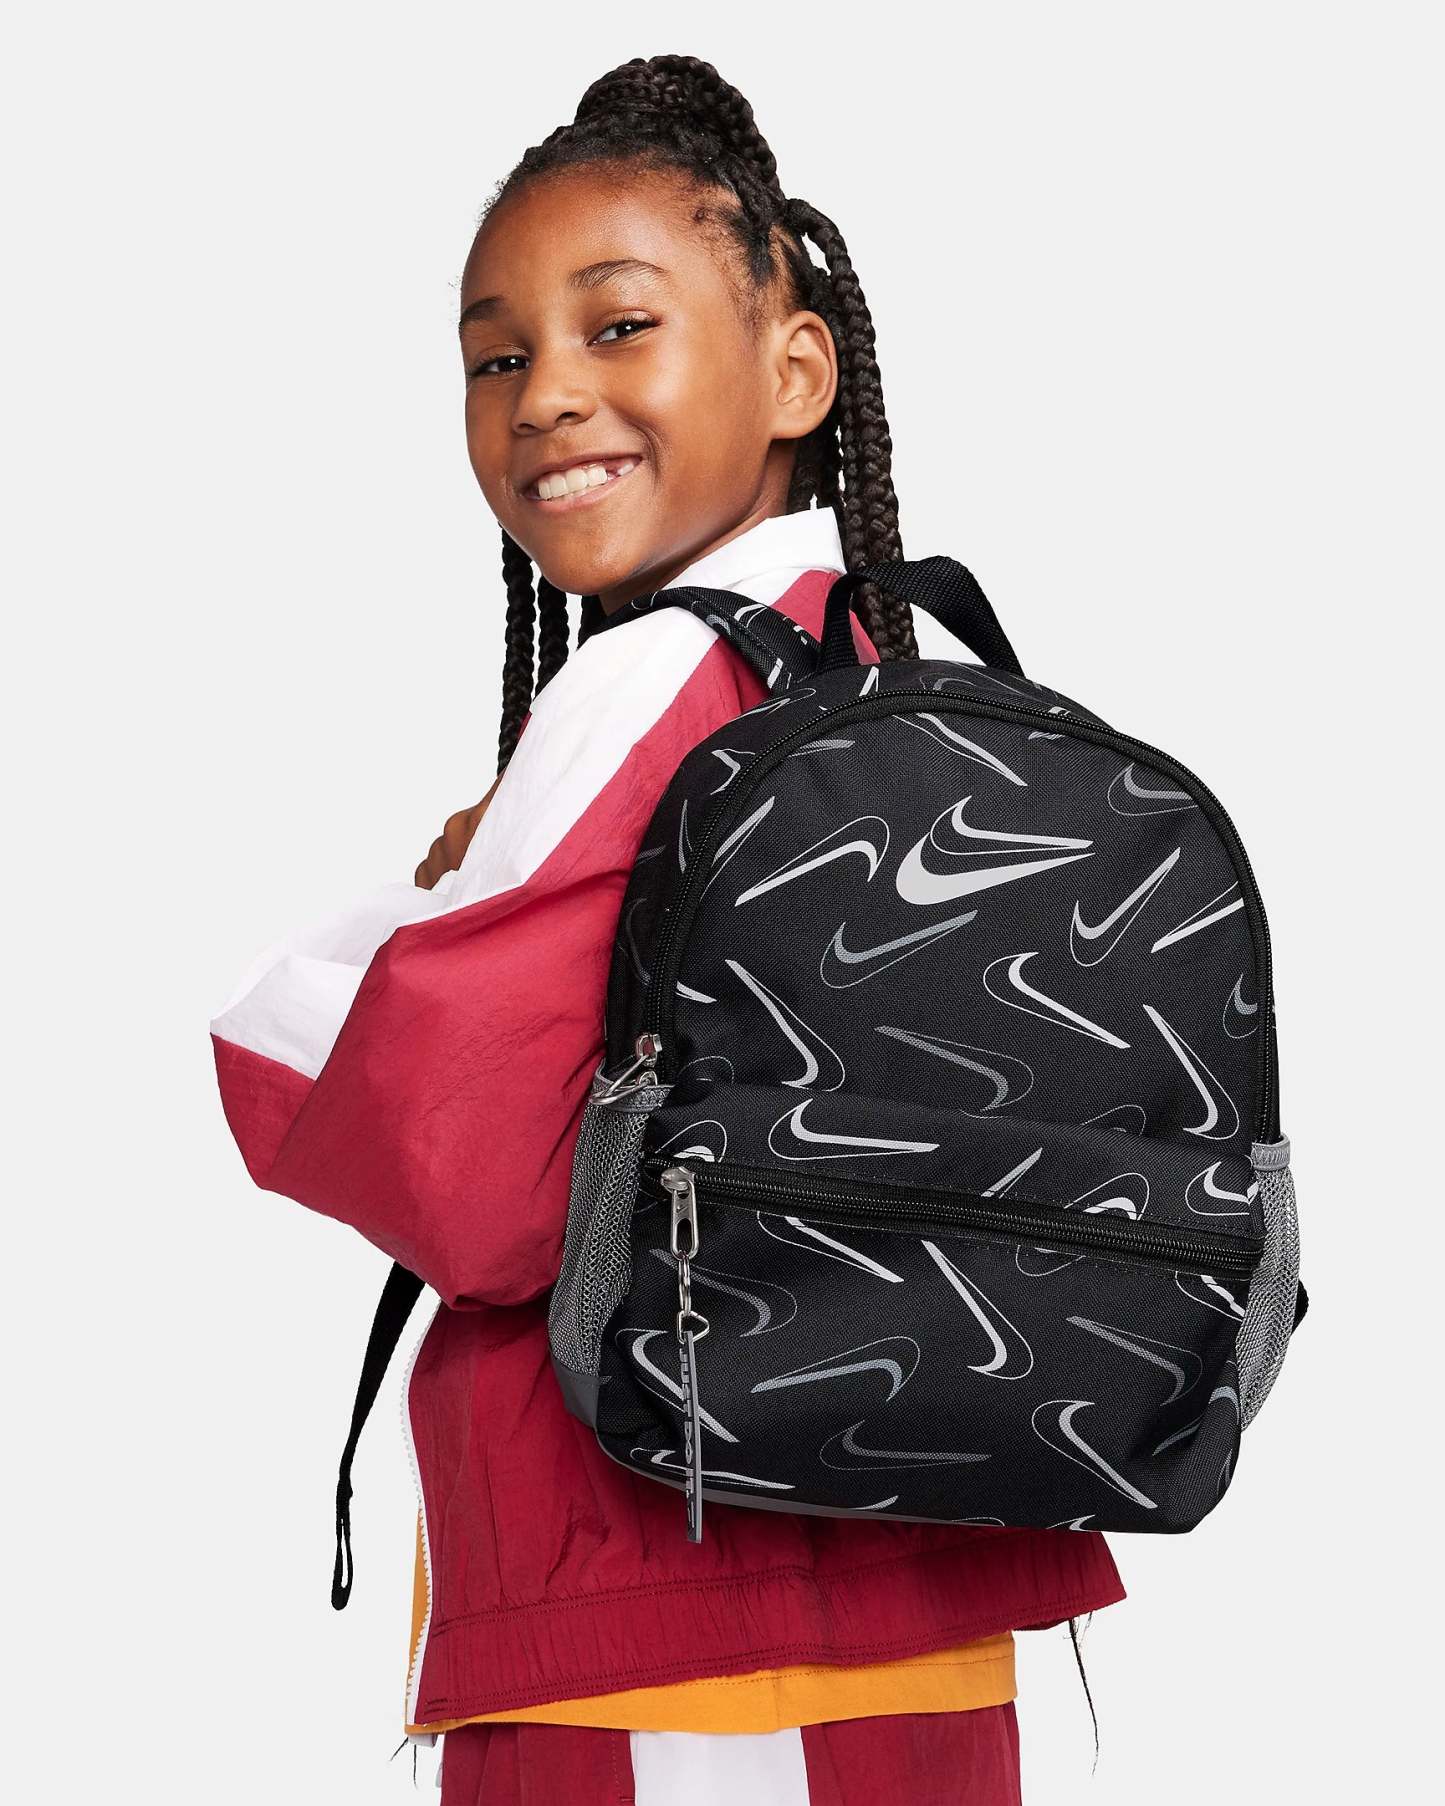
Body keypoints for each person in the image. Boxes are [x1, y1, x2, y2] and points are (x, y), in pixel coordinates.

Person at [210, 54, 1124, 1806]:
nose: (547, 394)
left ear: (797, 371)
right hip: (931, 1569)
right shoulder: (898, 672)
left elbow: (459, 1164)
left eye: (617, 326)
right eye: (495, 358)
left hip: (657, 1614)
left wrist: (423, 912)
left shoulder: (648, 680)